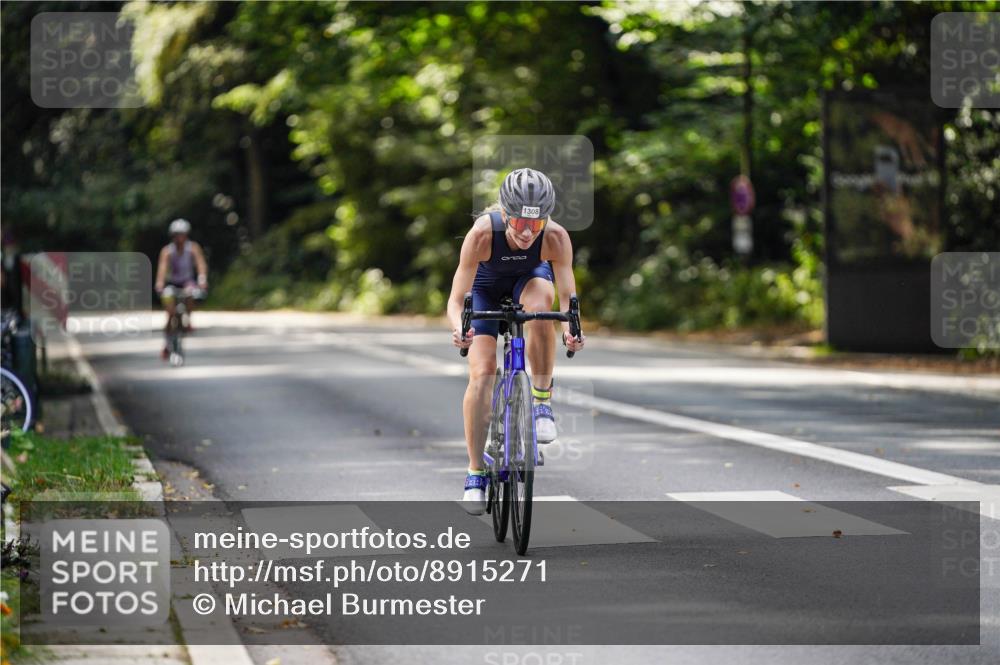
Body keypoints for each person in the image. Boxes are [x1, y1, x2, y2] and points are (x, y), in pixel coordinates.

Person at [447, 168, 585, 515]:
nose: (527, 232)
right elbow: (456, 298)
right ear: (505, 214)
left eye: (535, 225)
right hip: (484, 290)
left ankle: (540, 402)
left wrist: (572, 328)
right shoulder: (481, 234)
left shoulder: (555, 237)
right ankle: (476, 471)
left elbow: (568, 296)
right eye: (520, 222)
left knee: (540, 309)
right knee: (483, 373)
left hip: (529, 281)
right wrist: (458, 327)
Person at [154, 219, 208, 360]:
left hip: (187, 282)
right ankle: (167, 343)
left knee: (191, 295)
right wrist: (160, 283)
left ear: (186, 235)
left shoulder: (193, 248)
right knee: (170, 313)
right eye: (177, 235)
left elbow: (200, 264)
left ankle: (188, 319)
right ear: (173, 236)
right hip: (172, 283)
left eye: (182, 235)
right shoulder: (167, 251)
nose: (179, 238)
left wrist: (202, 279)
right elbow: (162, 268)